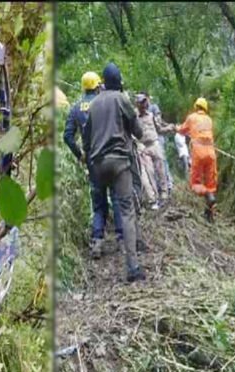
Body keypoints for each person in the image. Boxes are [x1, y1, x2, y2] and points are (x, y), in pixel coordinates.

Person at [83, 63, 146, 282]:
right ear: (118, 82)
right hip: (119, 163)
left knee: (100, 206)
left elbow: (86, 137)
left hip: (98, 165)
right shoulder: (122, 99)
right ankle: (133, 267)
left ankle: (98, 240)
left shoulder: (93, 104)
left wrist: (89, 159)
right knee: (127, 208)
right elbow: (138, 131)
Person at [64, 71, 124, 260]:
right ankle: (122, 239)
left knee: (98, 204)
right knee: (115, 197)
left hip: (92, 160)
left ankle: (97, 241)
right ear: (98, 86)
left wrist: (80, 154)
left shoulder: (75, 108)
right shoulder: (105, 104)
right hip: (111, 155)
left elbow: (67, 136)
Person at [177, 97, 218, 222]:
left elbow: (182, 130)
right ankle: (209, 214)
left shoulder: (192, 117)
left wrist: (175, 127)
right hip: (211, 153)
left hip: (198, 152)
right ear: (205, 108)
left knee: (195, 184)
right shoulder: (209, 120)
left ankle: (207, 195)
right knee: (211, 184)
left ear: (196, 107)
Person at [134, 94, 174, 209]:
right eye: (141, 102)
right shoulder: (134, 118)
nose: (143, 104)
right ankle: (154, 199)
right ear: (137, 104)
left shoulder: (151, 115)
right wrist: (137, 144)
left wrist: (170, 128)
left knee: (161, 170)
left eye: (145, 102)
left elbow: (159, 128)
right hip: (143, 147)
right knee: (149, 172)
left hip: (154, 144)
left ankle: (164, 195)